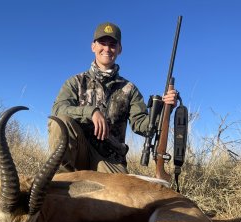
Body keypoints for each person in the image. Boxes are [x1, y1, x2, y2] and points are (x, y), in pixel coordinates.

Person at [49, 22, 177, 174]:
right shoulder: (75, 82)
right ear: (93, 46)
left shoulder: (129, 89)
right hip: (79, 153)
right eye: (102, 43)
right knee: (61, 122)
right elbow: (57, 110)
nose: (107, 49)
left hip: (110, 159)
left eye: (112, 44)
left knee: (124, 196)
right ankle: (60, 185)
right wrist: (91, 112)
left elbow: (142, 125)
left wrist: (165, 110)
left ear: (119, 49)